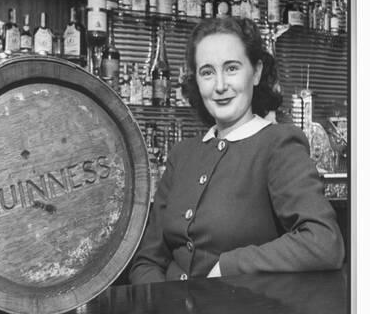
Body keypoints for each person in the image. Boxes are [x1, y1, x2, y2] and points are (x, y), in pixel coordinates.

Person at [129, 17, 344, 284]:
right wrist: (163, 310)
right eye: (207, 72)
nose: (220, 86)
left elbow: (323, 242)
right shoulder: (181, 155)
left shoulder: (278, 144)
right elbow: (147, 261)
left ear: (255, 72)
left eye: (231, 68)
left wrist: (228, 266)